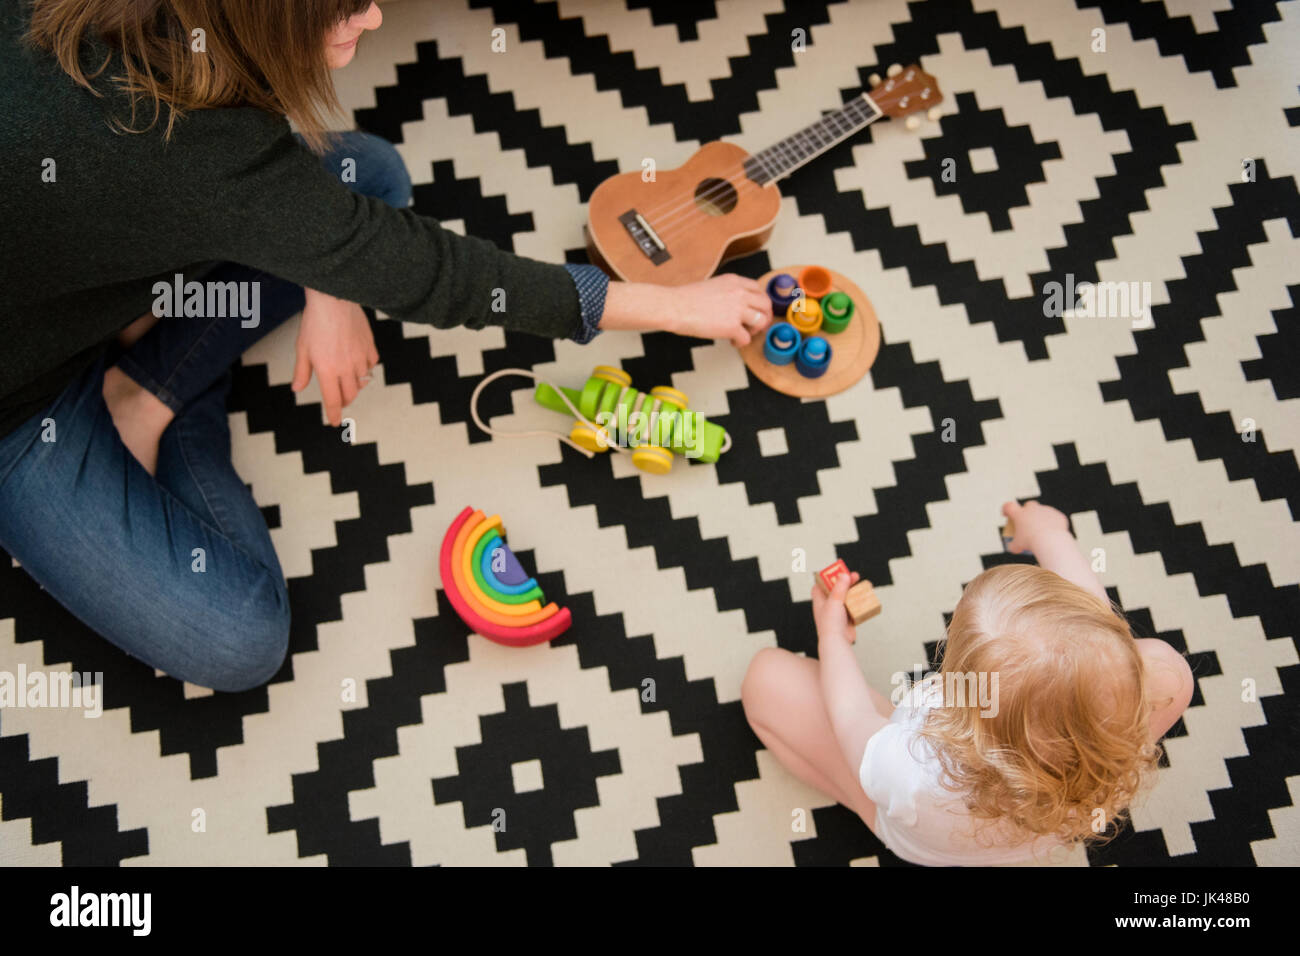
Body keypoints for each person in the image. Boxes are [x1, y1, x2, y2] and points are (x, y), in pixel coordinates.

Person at [0, 0, 773, 691]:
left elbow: (263, 187)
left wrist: (329, 281)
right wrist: (671, 305)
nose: (373, 18)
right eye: (350, 6)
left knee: (367, 173)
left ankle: (147, 387)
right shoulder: (199, 157)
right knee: (240, 637)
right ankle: (158, 386)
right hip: (17, 408)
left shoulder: (190, 75)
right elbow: (450, 278)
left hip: (75, 277)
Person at [741, 500, 1196, 865]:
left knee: (766, 678)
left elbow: (850, 717)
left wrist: (831, 636)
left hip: (923, 833)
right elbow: (1090, 621)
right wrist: (1048, 533)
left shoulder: (914, 765)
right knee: (1155, 658)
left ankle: (854, 800)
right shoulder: (1145, 693)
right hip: (1040, 831)